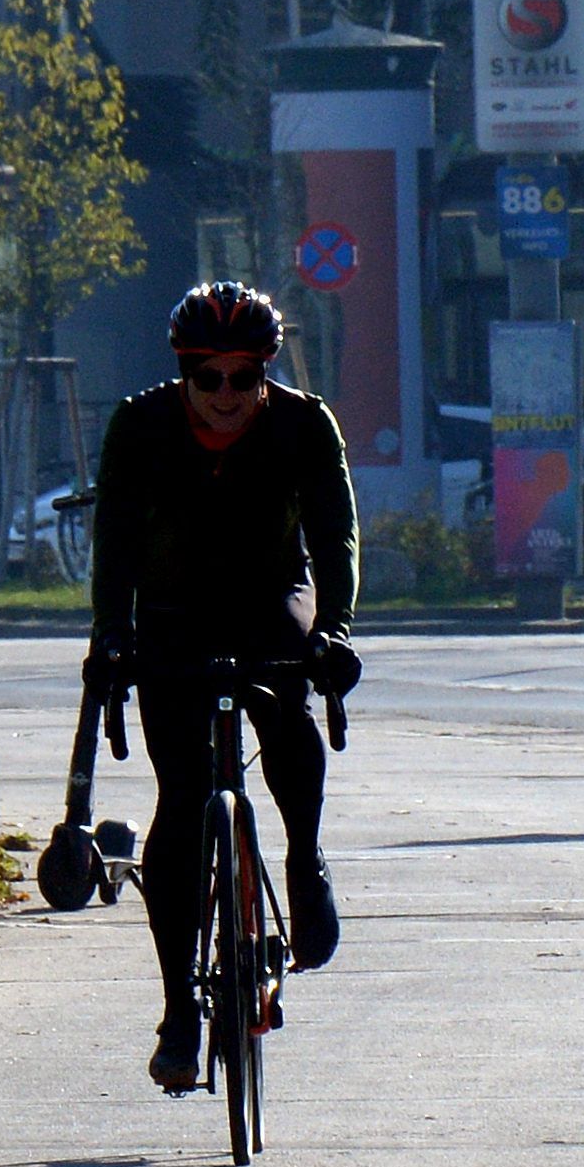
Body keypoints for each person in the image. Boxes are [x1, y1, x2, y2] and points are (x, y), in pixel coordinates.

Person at [89, 282, 360, 1093]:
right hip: (172, 609)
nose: (226, 396)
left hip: (270, 595)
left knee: (286, 705)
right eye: (207, 377)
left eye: (244, 377)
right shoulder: (139, 427)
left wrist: (335, 632)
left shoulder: (305, 425)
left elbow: (334, 536)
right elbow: (114, 543)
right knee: (180, 802)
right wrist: (110, 635)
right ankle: (179, 1009)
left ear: (264, 373)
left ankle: (304, 861)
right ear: (182, 374)